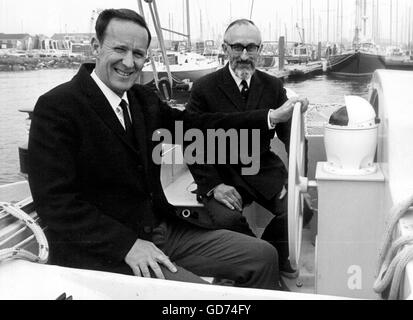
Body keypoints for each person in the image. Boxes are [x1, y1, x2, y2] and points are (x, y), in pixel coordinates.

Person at [27, 9, 305, 290]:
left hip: (160, 229)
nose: (129, 62)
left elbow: (196, 126)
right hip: (108, 249)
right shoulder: (58, 107)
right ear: (96, 48)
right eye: (120, 49)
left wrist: (270, 116)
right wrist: (127, 245)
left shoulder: (140, 99)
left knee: (263, 256)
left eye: (138, 53)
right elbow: (55, 204)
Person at [185, 19, 309, 279]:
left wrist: (294, 180)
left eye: (251, 48)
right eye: (237, 47)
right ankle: (255, 261)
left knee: (300, 208)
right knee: (226, 220)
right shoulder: (204, 87)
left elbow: (291, 136)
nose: (244, 55)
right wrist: (213, 185)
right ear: (224, 48)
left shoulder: (273, 86)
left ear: (260, 50)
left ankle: (270, 255)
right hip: (220, 170)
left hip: (262, 167)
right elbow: (190, 140)